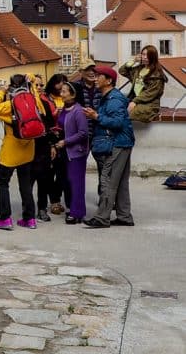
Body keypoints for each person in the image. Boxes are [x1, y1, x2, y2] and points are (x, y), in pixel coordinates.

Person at [84, 64, 135, 228]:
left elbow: (117, 123)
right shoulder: (110, 97)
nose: (95, 78)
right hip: (123, 143)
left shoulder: (114, 99)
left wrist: (96, 116)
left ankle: (102, 218)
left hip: (117, 143)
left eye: (99, 76)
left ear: (109, 80)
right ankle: (124, 216)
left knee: (108, 180)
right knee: (120, 182)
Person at [0, 74, 38, 230]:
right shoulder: (33, 100)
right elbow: (40, 108)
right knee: (26, 185)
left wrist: (0, 92)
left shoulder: (11, 104)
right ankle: (29, 219)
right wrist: (33, 84)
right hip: (28, 149)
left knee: (3, 183)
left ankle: (5, 218)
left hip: (10, 151)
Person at [55, 81, 90, 224]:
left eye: (64, 91)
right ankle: (75, 209)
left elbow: (83, 133)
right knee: (69, 182)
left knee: (77, 183)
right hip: (65, 152)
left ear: (73, 94)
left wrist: (66, 141)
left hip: (76, 152)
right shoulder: (64, 109)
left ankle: (77, 213)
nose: (61, 94)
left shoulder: (78, 111)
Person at [30, 75, 63, 221]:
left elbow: (49, 125)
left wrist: (51, 145)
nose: (39, 88)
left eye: (40, 85)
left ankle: (42, 208)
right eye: (35, 85)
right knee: (28, 180)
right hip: (27, 146)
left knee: (43, 178)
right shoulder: (21, 102)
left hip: (43, 145)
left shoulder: (43, 103)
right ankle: (29, 209)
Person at [120, 45, 165, 126]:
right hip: (135, 101)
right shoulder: (138, 69)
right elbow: (122, 71)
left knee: (127, 114)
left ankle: (124, 136)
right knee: (116, 109)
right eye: (143, 54)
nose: (145, 57)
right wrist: (133, 61)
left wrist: (134, 101)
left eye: (148, 55)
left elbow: (150, 93)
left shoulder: (157, 74)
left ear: (153, 57)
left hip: (150, 104)